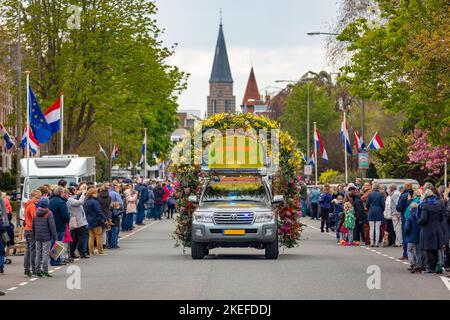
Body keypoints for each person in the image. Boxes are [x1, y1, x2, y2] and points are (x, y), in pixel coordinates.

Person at [417, 189, 446, 274]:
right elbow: (441, 218)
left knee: (429, 249)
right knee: (435, 249)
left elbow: (424, 218)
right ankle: (434, 268)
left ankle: (431, 268)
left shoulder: (425, 205)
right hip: (437, 229)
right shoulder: (439, 204)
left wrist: (418, 221)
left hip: (427, 229)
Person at [33, 197, 58, 278]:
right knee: (45, 253)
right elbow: (52, 226)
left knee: (38, 253)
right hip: (46, 237)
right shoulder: (49, 213)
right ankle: (45, 271)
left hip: (37, 236)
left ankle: (37, 271)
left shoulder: (35, 212)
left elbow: (33, 226)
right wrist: (55, 237)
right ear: (47, 204)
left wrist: (34, 235)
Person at [49, 187, 70, 266]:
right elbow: (65, 215)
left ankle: (52, 259)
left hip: (51, 224)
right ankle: (55, 261)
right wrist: (67, 220)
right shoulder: (61, 202)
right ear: (61, 193)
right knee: (58, 244)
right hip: (60, 225)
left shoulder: (50, 201)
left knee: (53, 243)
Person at [23, 189, 42, 276]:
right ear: (33, 196)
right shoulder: (32, 206)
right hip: (31, 229)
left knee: (27, 250)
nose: (38, 200)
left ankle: (26, 269)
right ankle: (34, 269)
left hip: (27, 229)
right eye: (37, 198)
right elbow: (35, 218)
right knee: (33, 250)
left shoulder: (27, 204)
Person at [67, 187, 89, 259]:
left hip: (78, 221)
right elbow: (80, 202)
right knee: (81, 238)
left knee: (75, 239)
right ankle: (82, 253)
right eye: (75, 190)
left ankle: (73, 253)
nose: (76, 191)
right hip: (78, 222)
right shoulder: (70, 200)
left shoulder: (72, 199)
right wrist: (83, 194)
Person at [83, 188, 106, 256]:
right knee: (99, 236)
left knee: (91, 236)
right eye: (96, 193)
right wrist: (104, 218)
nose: (97, 194)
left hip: (88, 220)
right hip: (96, 220)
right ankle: (100, 251)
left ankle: (91, 252)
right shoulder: (95, 202)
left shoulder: (86, 201)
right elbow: (99, 211)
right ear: (92, 194)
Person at [396, 182, 414, 260]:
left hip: (405, 217)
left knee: (405, 236)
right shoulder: (416, 195)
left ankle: (406, 254)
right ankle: (413, 254)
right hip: (415, 218)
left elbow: (399, 208)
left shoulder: (403, 196)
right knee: (413, 235)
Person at [405, 190, 421, 273]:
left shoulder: (409, 217)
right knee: (418, 251)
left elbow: (407, 228)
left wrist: (406, 234)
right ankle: (418, 265)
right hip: (418, 236)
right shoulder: (419, 217)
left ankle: (412, 264)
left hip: (410, 236)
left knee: (409, 250)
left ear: (411, 208)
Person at [367, 183, 385, 247]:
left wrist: (370, 208)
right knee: (377, 228)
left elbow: (367, 204)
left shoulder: (370, 194)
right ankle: (377, 242)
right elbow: (383, 204)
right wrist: (382, 210)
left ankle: (372, 242)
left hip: (371, 211)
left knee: (371, 228)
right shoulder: (381, 194)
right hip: (378, 211)